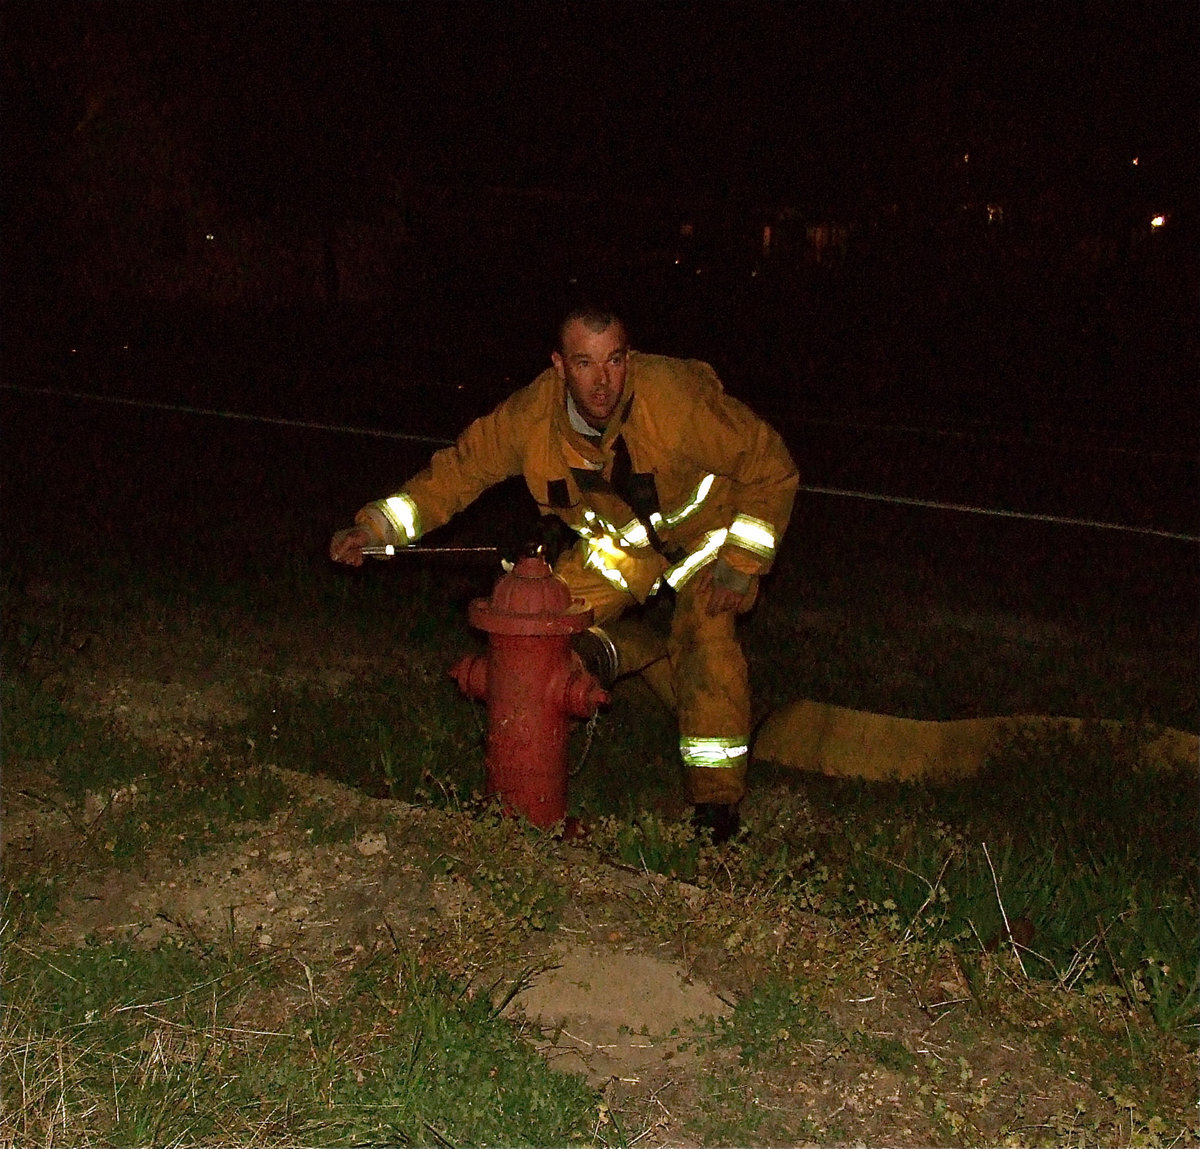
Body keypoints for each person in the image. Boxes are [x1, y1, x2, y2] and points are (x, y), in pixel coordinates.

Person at [330, 305, 798, 842]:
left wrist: (742, 564)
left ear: (630, 357)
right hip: (620, 550)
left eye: (615, 360)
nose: (603, 382)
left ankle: (716, 813)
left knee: (706, 642)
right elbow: (457, 473)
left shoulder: (676, 401)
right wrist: (375, 529)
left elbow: (771, 466)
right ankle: (532, 775)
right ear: (559, 366)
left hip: (708, 540)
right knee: (538, 633)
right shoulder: (530, 420)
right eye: (584, 364)